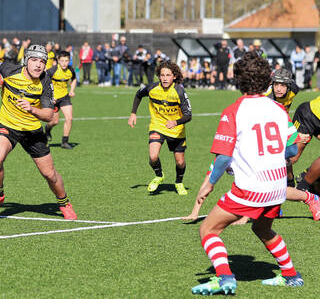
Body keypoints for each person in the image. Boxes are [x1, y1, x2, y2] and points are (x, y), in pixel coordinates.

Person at [191, 51, 303, 296]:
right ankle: (291, 275)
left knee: (208, 229)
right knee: (262, 229)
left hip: (251, 188)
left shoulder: (234, 111)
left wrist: (208, 184)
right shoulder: (278, 109)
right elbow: (292, 149)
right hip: (276, 187)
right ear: (267, 81)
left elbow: (223, 157)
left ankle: (224, 278)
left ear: (237, 80)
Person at [0, 45, 77, 219]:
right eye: (34, 60)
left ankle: (64, 202)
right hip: (7, 125)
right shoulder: (8, 69)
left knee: (49, 174)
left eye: (42, 61)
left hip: (33, 132)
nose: (38, 65)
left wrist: (32, 110)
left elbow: (49, 116)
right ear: (26, 61)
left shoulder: (45, 82)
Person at [128, 61, 192, 195]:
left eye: (168, 75)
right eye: (162, 75)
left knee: (180, 162)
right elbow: (139, 94)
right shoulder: (152, 88)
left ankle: (179, 182)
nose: (164, 78)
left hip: (176, 130)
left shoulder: (179, 91)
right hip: (158, 126)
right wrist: (133, 113)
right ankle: (159, 175)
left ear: (174, 76)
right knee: (153, 156)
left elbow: (188, 115)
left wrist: (176, 121)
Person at [45, 51, 77, 149]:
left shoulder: (70, 70)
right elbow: (44, 82)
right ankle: (47, 129)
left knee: (69, 118)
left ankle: (65, 141)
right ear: (58, 60)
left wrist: (71, 90)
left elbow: (74, 79)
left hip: (64, 97)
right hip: (54, 98)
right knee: (55, 122)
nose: (64, 63)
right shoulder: (52, 71)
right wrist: (50, 96)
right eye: (62, 61)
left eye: (66, 61)